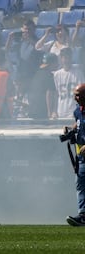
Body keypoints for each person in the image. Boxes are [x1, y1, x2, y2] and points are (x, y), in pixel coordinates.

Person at [65, 83, 85, 226]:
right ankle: (83, 214)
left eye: (78, 95)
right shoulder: (78, 111)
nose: (75, 98)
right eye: (75, 95)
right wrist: (71, 130)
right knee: (81, 184)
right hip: (82, 157)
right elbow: (78, 124)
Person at [54, 47, 85, 118]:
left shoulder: (78, 72)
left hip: (74, 112)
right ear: (61, 59)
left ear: (71, 58)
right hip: (61, 112)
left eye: (67, 57)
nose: (65, 60)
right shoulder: (57, 74)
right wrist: (54, 111)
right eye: (63, 57)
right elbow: (56, 94)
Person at [28, 53, 58, 119]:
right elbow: (49, 93)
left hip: (32, 110)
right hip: (42, 111)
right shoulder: (49, 75)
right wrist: (50, 111)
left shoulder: (36, 74)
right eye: (56, 62)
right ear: (52, 63)